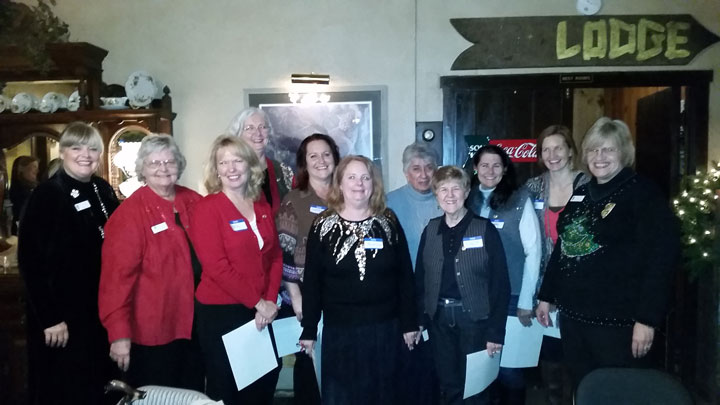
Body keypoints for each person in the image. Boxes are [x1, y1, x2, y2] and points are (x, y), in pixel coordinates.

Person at [536, 117, 679, 388]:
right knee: (584, 389)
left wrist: (647, 320)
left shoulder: (643, 194)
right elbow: (564, 247)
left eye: (608, 150)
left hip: (619, 324)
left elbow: (661, 260)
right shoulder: (583, 194)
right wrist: (547, 295)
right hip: (574, 319)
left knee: (619, 393)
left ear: (624, 152)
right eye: (593, 150)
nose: (599, 157)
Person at [299, 155, 418, 405]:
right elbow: (312, 282)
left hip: (385, 330)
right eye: (351, 177)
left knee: (384, 396)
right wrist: (309, 329)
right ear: (340, 183)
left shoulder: (388, 221)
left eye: (365, 177)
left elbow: (405, 276)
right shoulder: (322, 225)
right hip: (340, 332)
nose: (359, 184)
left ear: (373, 184)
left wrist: (409, 323)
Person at [18, 122, 120, 405]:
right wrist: (50, 318)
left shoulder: (102, 189)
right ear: (62, 152)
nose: (85, 154)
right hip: (61, 317)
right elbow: (30, 262)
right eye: (76, 147)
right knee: (64, 389)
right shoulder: (47, 195)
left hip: (97, 312)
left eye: (92, 148)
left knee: (97, 386)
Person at [98, 134, 204, 390]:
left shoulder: (194, 201)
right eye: (154, 163)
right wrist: (119, 335)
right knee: (157, 395)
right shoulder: (129, 215)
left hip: (196, 325)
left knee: (192, 394)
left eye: (169, 161)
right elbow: (116, 281)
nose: (163, 168)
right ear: (142, 169)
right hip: (153, 330)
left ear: (179, 164)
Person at [190, 135, 283, 405]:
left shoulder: (262, 207)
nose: (231, 168)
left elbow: (275, 256)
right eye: (224, 162)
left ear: (249, 165)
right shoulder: (206, 209)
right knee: (229, 390)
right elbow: (216, 267)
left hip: (262, 308)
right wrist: (258, 302)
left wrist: (268, 300)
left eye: (237, 161)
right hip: (222, 312)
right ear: (216, 170)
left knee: (264, 381)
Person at [416, 165, 510, 404]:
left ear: (466, 192)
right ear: (436, 194)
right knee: (448, 386)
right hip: (439, 320)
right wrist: (419, 319)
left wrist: (496, 332)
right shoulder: (430, 229)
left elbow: (500, 285)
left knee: (476, 389)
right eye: (443, 189)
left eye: (456, 188)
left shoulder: (484, 229)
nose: (450, 195)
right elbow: (420, 279)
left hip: (475, 321)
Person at [466, 144, 541, 404]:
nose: (490, 170)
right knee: (481, 371)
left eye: (496, 165)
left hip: (511, 298)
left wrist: (525, 301)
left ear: (505, 168)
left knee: (510, 373)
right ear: (475, 168)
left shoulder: (519, 199)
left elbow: (534, 251)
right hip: (476, 299)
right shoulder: (467, 197)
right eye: (484, 165)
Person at [524, 125, 588, 404]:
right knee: (550, 356)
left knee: (578, 358)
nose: (552, 155)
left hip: (581, 287)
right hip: (545, 287)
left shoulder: (588, 184)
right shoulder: (533, 188)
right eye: (546, 149)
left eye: (558, 148)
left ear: (570, 151)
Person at [276, 133, 340, 404]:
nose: (321, 161)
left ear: (335, 158)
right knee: (308, 367)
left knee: (337, 365)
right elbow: (284, 251)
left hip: (340, 297)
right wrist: (298, 298)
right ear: (304, 162)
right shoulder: (295, 199)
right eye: (313, 155)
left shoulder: (347, 195)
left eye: (326, 154)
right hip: (305, 299)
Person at [386, 142, 443, 404]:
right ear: (405, 172)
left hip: (440, 292)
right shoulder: (389, 202)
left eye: (429, 168)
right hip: (402, 293)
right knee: (407, 358)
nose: (423, 174)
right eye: (416, 169)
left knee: (434, 360)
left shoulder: (447, 198)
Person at [227, 107, 293, 215]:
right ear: (238, 134)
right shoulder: (231, 172)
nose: (258, 133)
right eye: (249, 128)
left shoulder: (283, 171)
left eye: (262, 127)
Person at [9, 155, 39, 235]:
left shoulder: (34, 187)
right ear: (21, 168)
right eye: (34, 166)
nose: (37, 170)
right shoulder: (18, 191)